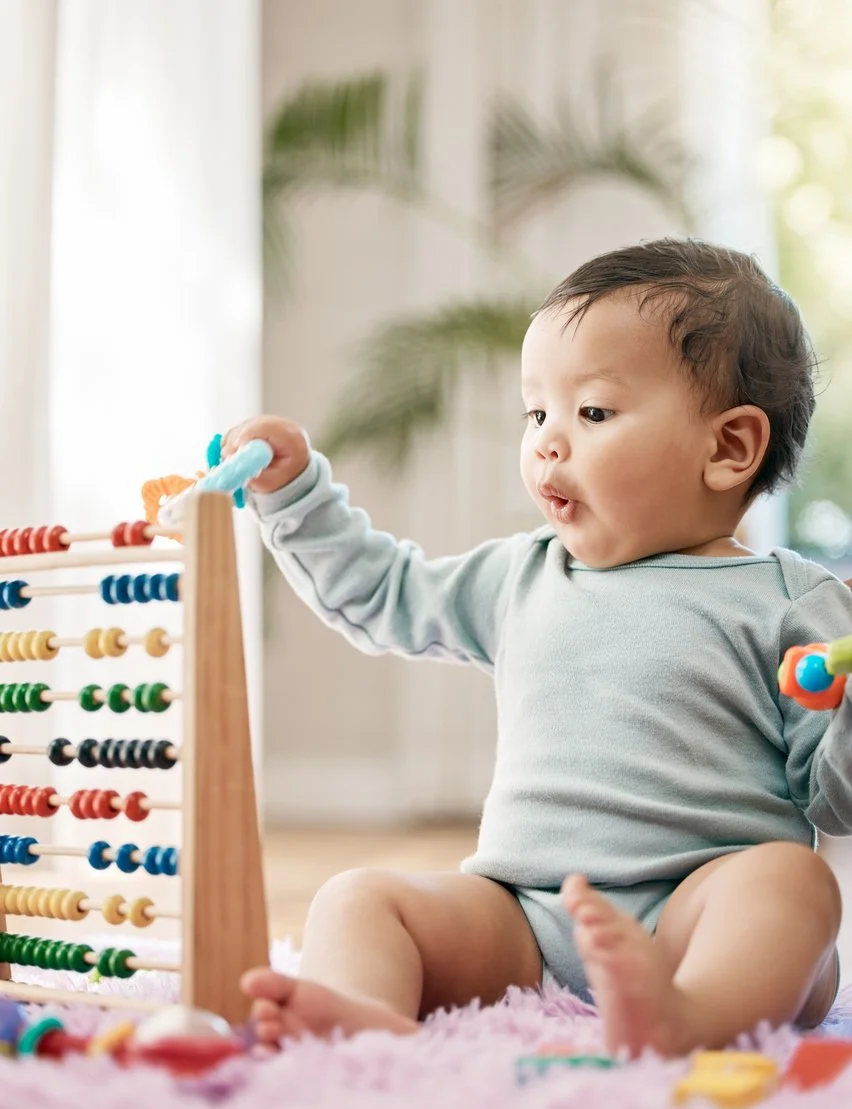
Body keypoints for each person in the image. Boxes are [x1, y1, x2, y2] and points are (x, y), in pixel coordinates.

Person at [226, 238, 852, 1058]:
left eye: (591, 413)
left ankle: (687, 1017)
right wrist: (298, 499)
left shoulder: (792, 604)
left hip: (697, 920)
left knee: (794, 885)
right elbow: (382, 594)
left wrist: (841, 716)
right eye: (537, 413)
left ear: (729, 448)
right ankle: (364, 1018)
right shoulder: (522, 575)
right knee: (358, 897)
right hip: (522, 914)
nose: (548, 442)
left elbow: (833, 802)